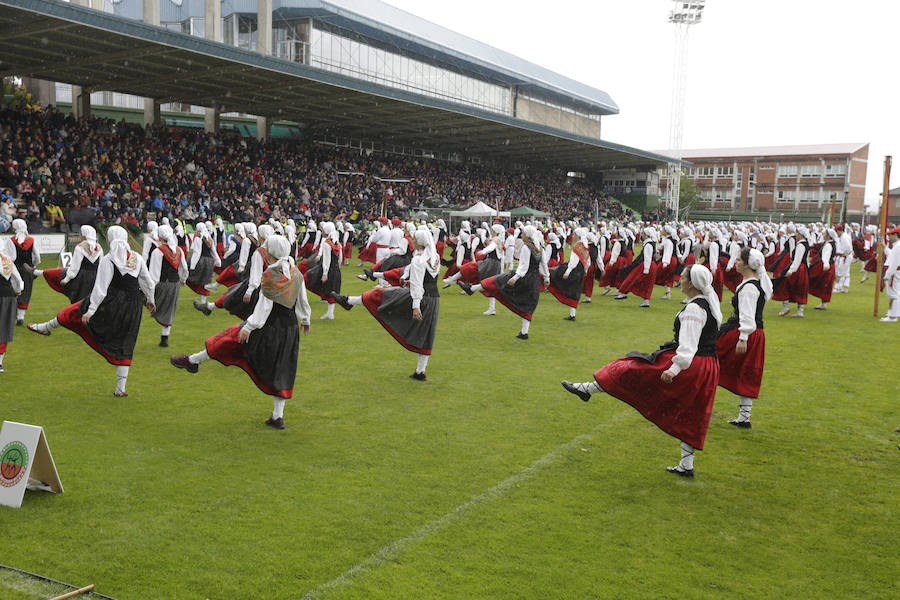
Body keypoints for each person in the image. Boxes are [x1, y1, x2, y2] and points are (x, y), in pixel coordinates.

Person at [561, 264, 722, 478]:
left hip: (691, 364)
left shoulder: (694, 308)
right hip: (707, 365)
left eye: (682, 277)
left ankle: (587, 389)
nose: (679, 280)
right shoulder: (708, 302)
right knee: (692, 412)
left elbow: (688, 346)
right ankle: (686, 465)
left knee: (628, 368)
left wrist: (674, 369)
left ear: (692, 283)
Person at [171, 235, 311, 429]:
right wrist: (305, 319)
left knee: (228, 340)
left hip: (268, 327)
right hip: (290, 328)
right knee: (283, 367)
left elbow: (264, 306)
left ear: (270, 253)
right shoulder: (295, 272)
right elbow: (302, 298)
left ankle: (193, 361)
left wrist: (249, 326)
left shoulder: (271, 274)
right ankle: (277, 416)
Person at [27, 226, 156, 397]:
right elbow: (149, 282)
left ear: (110, 239)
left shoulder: (109, 259)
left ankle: (46, 327)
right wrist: (150, 300)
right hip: (133, 305)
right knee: (127, 340)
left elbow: (100, 289)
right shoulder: (137, 258)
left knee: (72, 313)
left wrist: (91, 311)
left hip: (110, 301)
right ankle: (120, 389)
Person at [332, 228, 440, 380]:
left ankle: (348, 301)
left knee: (379, 295)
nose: (412, 242)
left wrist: (415, 306)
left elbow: (417, 286)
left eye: (414, 240)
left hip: (420, 298)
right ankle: (420, 372)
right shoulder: (434, 257)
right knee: (426, 333)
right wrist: (409, 281)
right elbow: (426, 280)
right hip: (433, 299)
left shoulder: (418, 260)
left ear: (420, 242)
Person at [459, 225, 549, 340]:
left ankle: (471, 289)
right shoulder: (540, 247)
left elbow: (523, 267)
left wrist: (515, 278)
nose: (521, 235)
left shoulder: (526, 248)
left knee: (495, 280)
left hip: (523, 277)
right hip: (534, 279)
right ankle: (524, 332)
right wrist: (547, 278)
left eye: (523, 234)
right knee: (529, 304)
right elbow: (544, 265)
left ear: (527, 235)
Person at [716, 248, 772, 428]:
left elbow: (748, 315)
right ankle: (744, 417)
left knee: (709, 356)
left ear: (748, 265)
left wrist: (743, 337)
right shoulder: (754, 283)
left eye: (739, 260)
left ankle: (695, 398)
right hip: (753, 333)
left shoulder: (749, 287)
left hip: (746, 332)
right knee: (746, 372)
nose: (736, 262)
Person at [34, 225, 103, 304]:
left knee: (79, 302)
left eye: (80, 233)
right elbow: (101, 266)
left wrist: (66, 279)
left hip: (82, 278)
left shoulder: (80, 247)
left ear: (84, 235)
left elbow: (74, 268)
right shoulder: (99, 247)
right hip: (96, 278)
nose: (79, 235)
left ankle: (36, 272)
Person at [148, 224, 189, 347]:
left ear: (159, 236)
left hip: (162, 283)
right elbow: (184, 268)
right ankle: (164, 338)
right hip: (174, 284)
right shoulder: (179, 250)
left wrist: (150, 289)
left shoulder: (158, 251)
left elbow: (154, 274)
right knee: (170, 310)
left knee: (144, 300)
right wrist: (183, 279)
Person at [547, 227, 590, 321]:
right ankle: (572, 314)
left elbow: (573, 261)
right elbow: (587, 260)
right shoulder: (585, 245)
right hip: (581, 270)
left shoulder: (577, 246)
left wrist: (567, 272)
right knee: (575, 291)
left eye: (574, 235)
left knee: (565, 285)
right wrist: (585, 270)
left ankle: (572, 314)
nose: (573, 236)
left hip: (575, 270)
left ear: (578, 236)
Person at [0, 239, 25, 372]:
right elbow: (19, 281)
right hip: (8, 297)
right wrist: (17, 291)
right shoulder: (8, 260)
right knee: (4, 329)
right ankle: (0, 362)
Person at [9, 219, 40, 325]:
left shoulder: (11, 240)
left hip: (15, 268)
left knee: (13, 291)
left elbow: (11, 257)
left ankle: (11, 316)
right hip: (28, 269)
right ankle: (20, 318)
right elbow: (37, 257)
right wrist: (33, 265)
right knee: (26, 292)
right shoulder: (31, 240)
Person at [881, 227, 900, 322]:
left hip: (894, 272)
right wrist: (885, 247)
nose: (889, 237)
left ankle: (892, 316)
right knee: (895, 293)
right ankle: (892, 313)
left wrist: (887, 275)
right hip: (894, 271)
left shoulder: (898, 246)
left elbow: (894, 263)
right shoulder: (897, 246)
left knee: (894, 294)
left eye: (890, 235)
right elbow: (891, 255)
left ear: (896, 235)